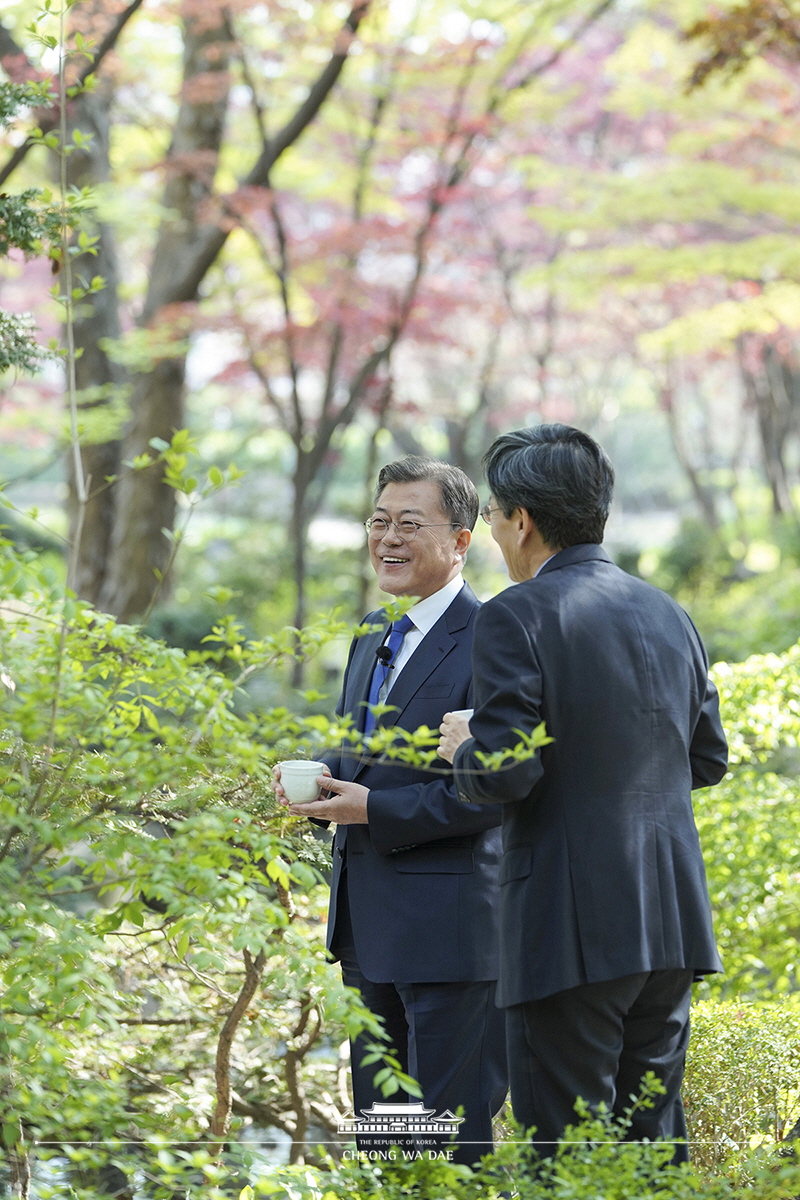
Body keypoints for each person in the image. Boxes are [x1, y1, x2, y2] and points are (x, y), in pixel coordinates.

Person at [438, 424, 728, 1162]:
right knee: (653, 1149)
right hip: (669, 924)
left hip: (565, 930)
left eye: (498, 519)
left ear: (522, 521)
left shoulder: (516, 613)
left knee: (563, 1159)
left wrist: (464, 748)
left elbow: (507, 771)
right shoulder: (670, 614)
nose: (497, 538)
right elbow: (707, 758)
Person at [276, 457, 507, 1166]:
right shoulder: (373, 632)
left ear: (462, 540)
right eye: (379, 522)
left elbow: (495, 787)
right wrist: (314, 784)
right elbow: (361, 755)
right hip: (365, 932)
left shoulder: (495, 635)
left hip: (451, 936)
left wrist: (375, 808)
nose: (388, 539)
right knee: (386, 1141)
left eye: (410, 524)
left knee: (449, 1140)